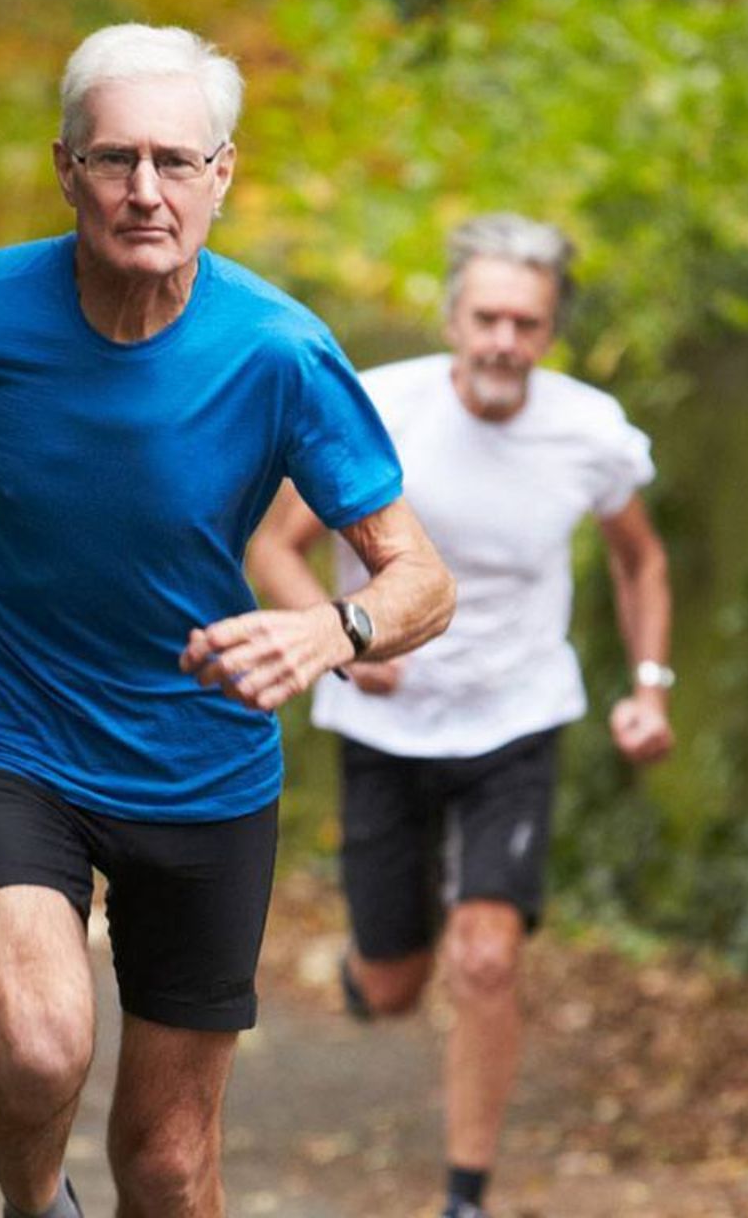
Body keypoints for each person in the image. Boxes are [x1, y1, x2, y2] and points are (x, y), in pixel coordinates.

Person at [0, 24, 453, 1218]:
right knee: (39, 1042)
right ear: (67, 169)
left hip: (201, 765)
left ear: (222, 175)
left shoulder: (280, 351)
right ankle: (36, 1204)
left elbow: (422, 579)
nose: (147, 190)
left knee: (168, 1163)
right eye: (116, 158)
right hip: (9, 736)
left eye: (177, 161)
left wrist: (328, 630)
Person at [246, 213, 674, 1218]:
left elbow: (640, 558)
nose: (503, 341)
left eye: (525, 323)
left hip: (516, 721)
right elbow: (275, 546)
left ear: (551, 331)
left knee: (487, 955)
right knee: (396, 983)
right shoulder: (379, 408)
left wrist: (650, 684)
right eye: (486, 318)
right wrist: (339, 642)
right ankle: (373, 969)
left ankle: (465, 1197)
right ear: (452, 319)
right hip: (387, 730)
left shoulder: (590, 431)